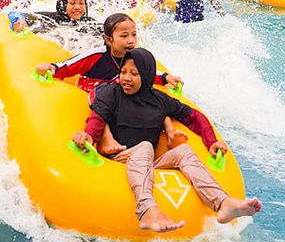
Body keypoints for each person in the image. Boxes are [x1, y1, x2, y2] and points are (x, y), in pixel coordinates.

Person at [73, 48, 262, 233]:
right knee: (145, 146)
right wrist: (88, 135)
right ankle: (147, 210)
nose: (126, 78)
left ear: (146, 76)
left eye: (134, 73)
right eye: (123, 72)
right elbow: (97, 119)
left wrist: (211, 141)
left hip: (149, 162)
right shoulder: (112, 94)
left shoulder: (159, 100)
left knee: (184, 152)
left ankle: (222, 202)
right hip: (119, 159)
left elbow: (194, 116)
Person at [36, 13, 183, 150]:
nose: (131, 40)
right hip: (95, 94)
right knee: (106, 95)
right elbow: (70, 66)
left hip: (119, 94)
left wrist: (164, 77)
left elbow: (146, 73)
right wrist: (53, 67)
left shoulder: (133, 58)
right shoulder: (97, 56)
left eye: (134, 35)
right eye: (124, 36)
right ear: (108, 39)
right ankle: (106, 137)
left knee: (151, 96)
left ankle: (169, 131)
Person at [9, 0, 97, 35]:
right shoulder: (49, 19)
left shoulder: (89, 24)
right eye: (72, 3)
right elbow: (16, 14)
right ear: (62, 4)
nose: (77, 7)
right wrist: (20, 20)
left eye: (81, 3)